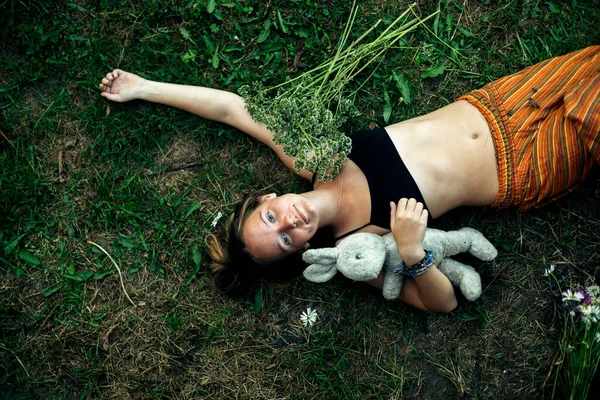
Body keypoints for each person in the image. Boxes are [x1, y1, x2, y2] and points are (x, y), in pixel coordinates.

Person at [99, 46, 600, 312]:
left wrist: (145, 88)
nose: (289, 223)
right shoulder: (360, 244)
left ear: (268, 197)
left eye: (271, 216)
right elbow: (441, 304)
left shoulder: (315, 157)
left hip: (505, 100)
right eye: (286, 240)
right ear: (303, 252)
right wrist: (410, 252)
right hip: (527, 166)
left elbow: (233, 108)